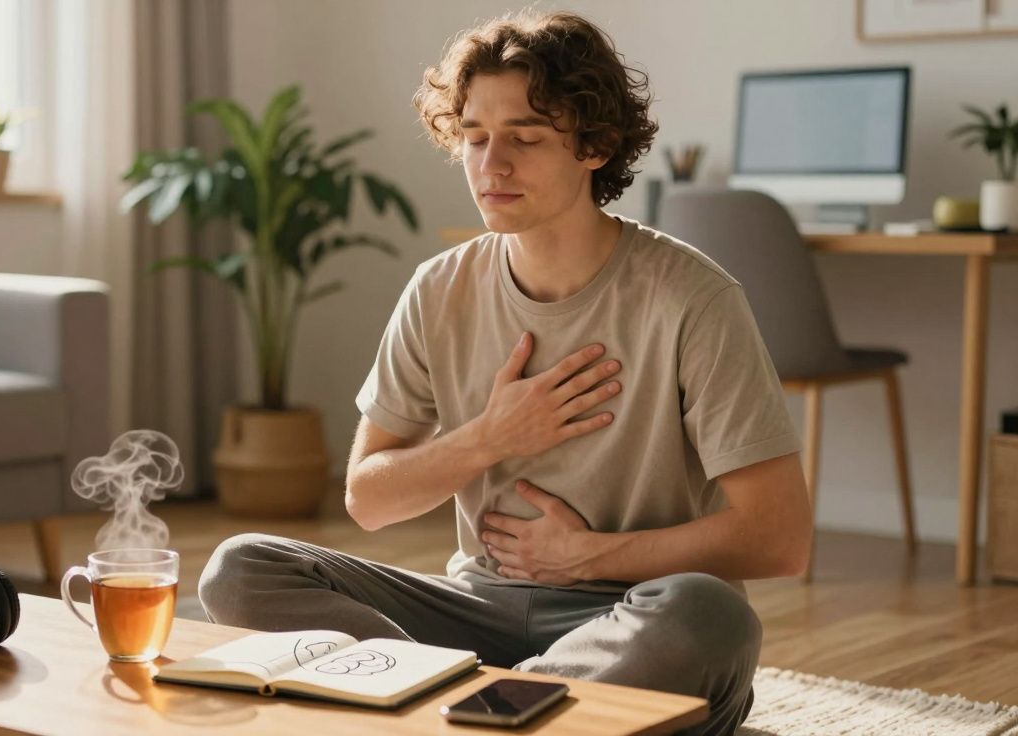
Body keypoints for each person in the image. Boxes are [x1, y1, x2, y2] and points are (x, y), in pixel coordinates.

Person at [199, 9, 812, 734]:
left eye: (524, 138)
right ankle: (495, 708)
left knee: (708, 616)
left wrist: (589, 557)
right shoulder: (440, 287)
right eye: (474, 138)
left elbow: (778, 538)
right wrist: (489, 437)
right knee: (239, 568)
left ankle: (459, 707)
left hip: (630, 618)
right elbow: (368, 499)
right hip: (477, 612)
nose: (492, 165)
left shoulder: (692, 298)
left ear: (597, 145)